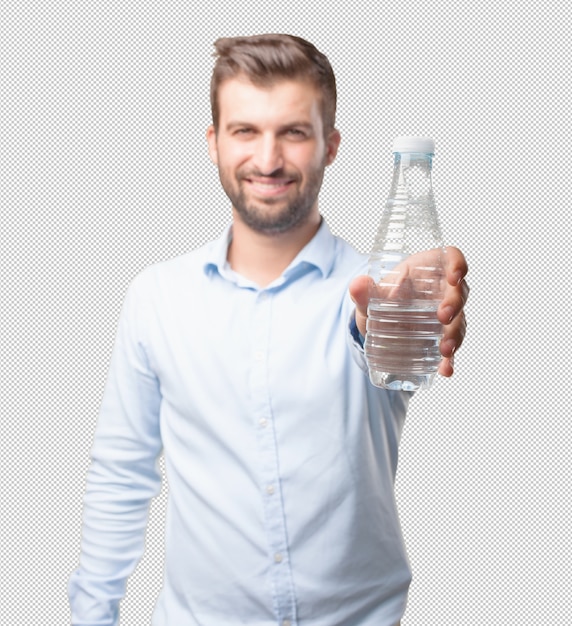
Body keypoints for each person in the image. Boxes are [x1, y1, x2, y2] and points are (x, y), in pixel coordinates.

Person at [68, 34, 469, 626]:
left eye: (294, 132)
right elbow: (121, 471)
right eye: (245, 131)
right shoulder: (157, 298)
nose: (268, 159)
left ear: (331, 146)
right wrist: (91, 617)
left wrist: (413, 321)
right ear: (213, 143)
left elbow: (379, 342)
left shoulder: (376, 291)